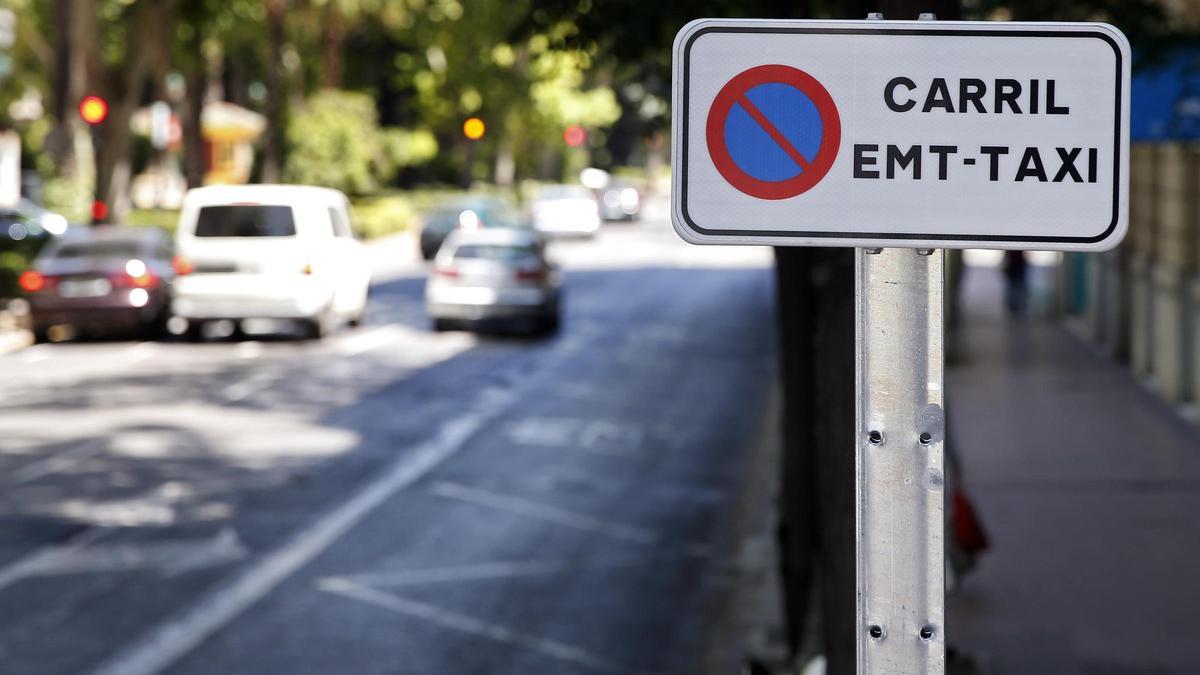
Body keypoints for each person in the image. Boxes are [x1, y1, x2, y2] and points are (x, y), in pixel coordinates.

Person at [1003, 250, 1029, 316]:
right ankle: (1015, 310)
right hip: (1015, 268)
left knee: (1015, 290)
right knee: (1015, 290)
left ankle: (1015, 310)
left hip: (1016, 268)